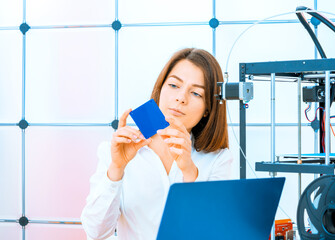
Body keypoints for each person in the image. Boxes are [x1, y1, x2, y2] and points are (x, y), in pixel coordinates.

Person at [81, 48, 234, 240]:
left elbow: (212, 232)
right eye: (173, 85)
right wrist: (117, 168)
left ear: (207, 109)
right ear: (160, 89)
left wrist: (189, 172)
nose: (181, 98)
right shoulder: (116, 150)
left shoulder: (217, 158)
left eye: (196, 93)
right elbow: (96, 233)